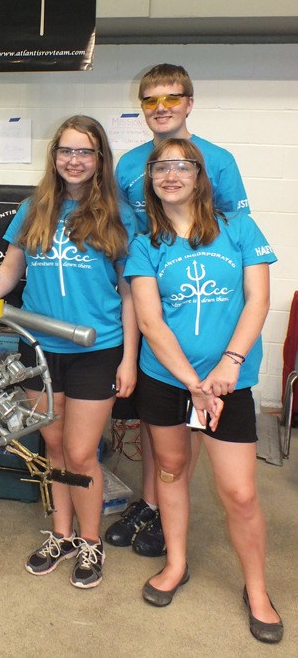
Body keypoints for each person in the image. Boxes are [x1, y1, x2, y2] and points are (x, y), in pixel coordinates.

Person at [124, 137, 282, 644]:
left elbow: (258, 300)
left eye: (181, 166)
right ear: (150, 181)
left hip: (228, 384)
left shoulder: (239, 229)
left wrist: (229, 365)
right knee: (171, 472)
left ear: (199, 175)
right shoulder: (146, 244)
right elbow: (149, 320)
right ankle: (176, 564)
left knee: (239, 492)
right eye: (160, 168)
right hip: (170, 380)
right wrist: (193, 383)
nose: (170, 175)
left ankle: (256, 590)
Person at [109, 63, 250, 557]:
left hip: (200, 305)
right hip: (148, 296)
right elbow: (124, 236)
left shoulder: (220, 160)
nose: (161, 107)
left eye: (172, 97)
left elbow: (238, 240)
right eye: (150, 100)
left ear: (190, 102)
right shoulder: (128, 165)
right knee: (157, 418)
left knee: (188, 423)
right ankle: (152, 503)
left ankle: (171, 515)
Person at [0, 115, 138, 588]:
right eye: (66, 151)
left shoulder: (117, 213)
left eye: (85, 152)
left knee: (80, 451)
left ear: (99, 160)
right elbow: (11, 269)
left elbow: (131, 291)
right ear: (54, 157)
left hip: (97, 348)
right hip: (38, 345)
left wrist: (130, 358)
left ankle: (91, 540)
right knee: (52, 445)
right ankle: (62, 534)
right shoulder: (36, 207)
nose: (74, 160)